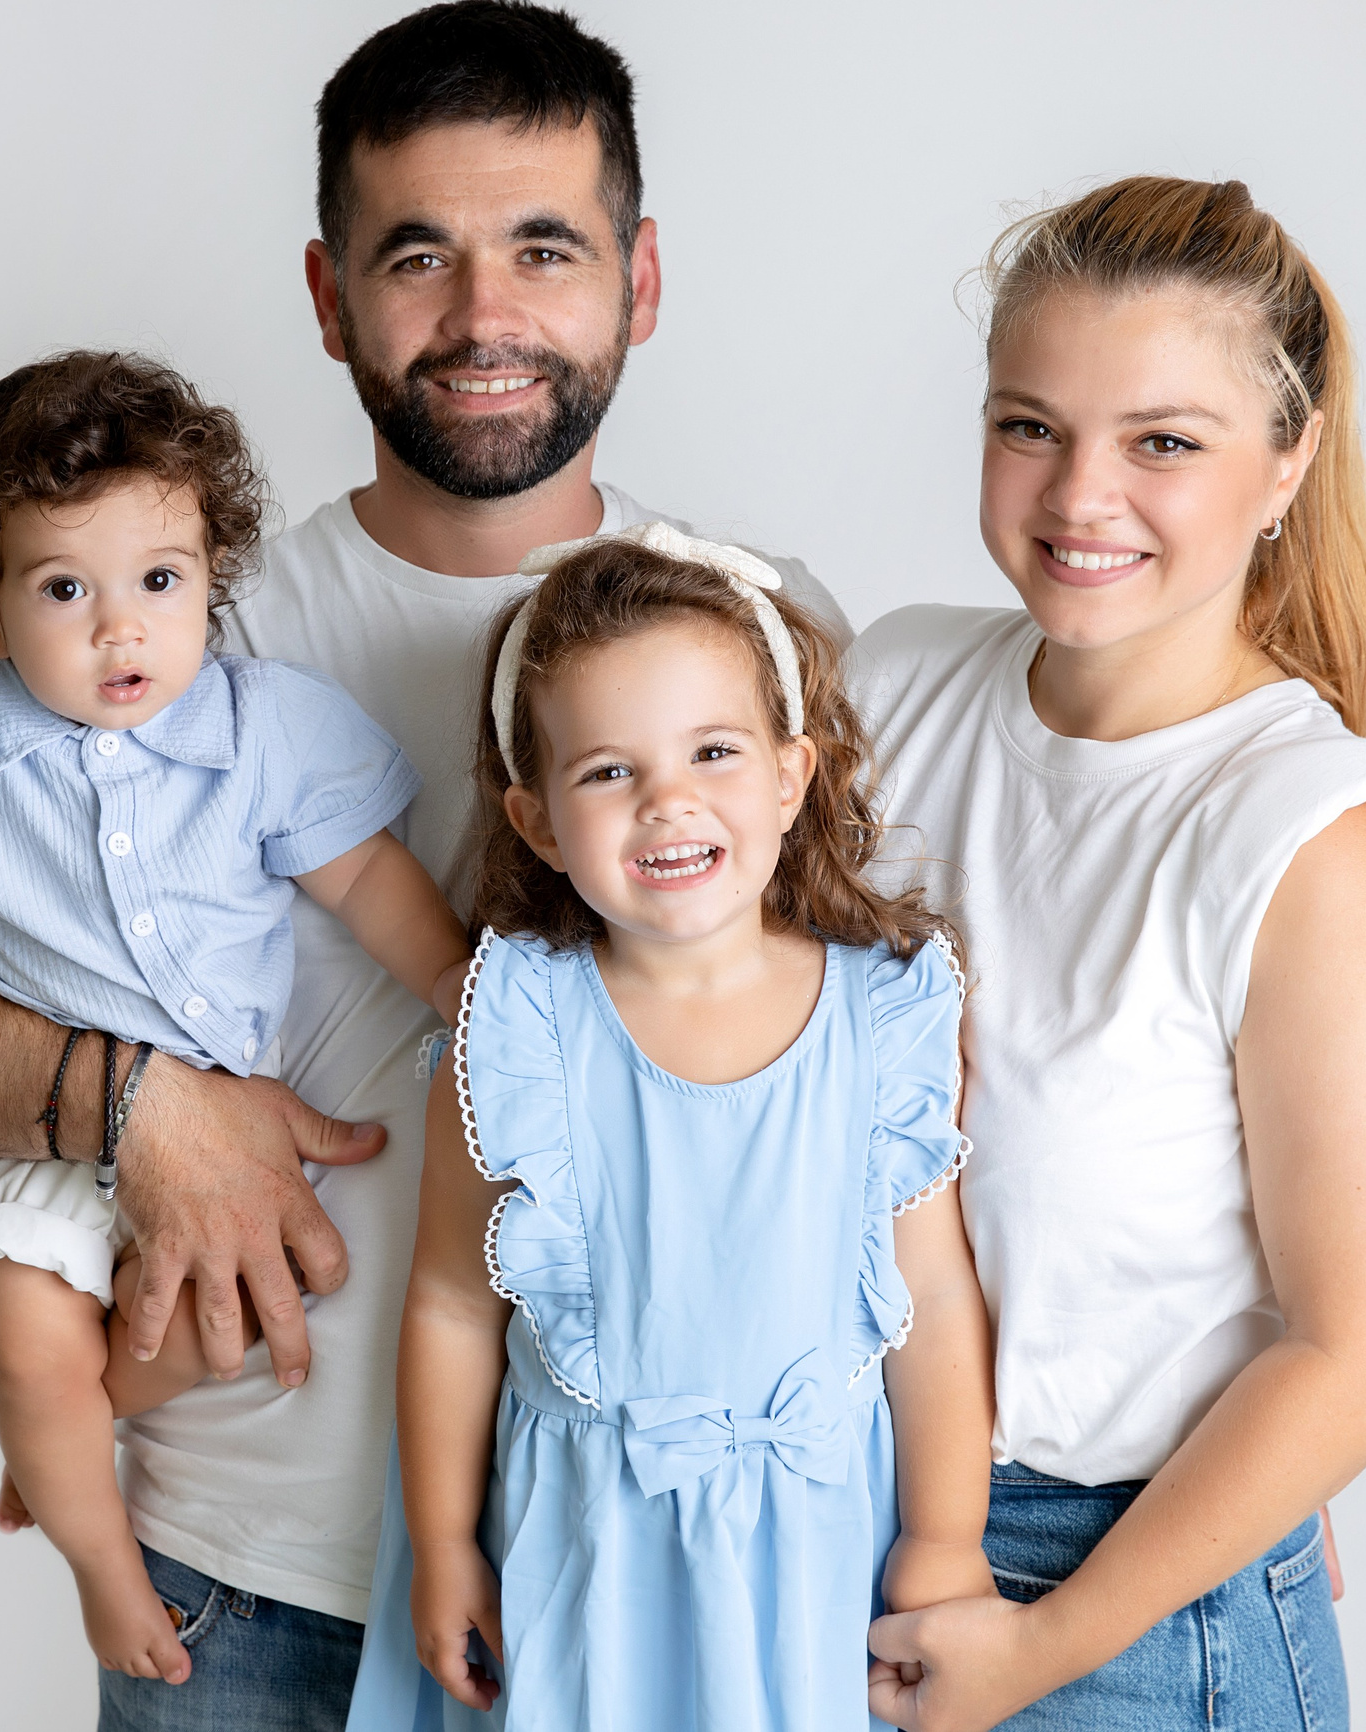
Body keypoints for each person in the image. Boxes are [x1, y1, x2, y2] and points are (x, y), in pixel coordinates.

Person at [0, 0, 842, 1728]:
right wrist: (140, 1105)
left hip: (660, 1567)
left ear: (639, 281)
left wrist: (1148, 1433)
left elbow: (886, 1075)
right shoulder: (165, 625)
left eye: (545, 248)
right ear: (328, 293)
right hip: (249, 1574)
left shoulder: (760, 637)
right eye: (417, 253)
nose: (484, 314)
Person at [0, 351, 473, 1684]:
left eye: (160, 585)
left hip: (242, 1129)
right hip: (52, 1143)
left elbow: (363, 877)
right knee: (26, 1330)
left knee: (237, 1304)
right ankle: (100, 1560)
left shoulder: (264, 727)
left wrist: (463, 988)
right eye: (69, 591)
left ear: (211, 576)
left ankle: (53, 1439)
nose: (122, 630)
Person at [854, 176, 1366, 1729]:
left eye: (1165, 443)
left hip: (1117, 1609)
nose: (1080, 496)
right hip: (839, 1519)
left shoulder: (1308, 838)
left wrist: (1045, 1643)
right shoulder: (896, 683)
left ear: (1289, 463)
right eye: (1030, 425)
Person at [346, 525, 994, 1732]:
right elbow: (446, 1298)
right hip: (585, 1555)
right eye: (607, 772)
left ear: (792, 775)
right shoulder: (519, 1024)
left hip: (814, 1562)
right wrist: (441, 1542)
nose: (667, 802)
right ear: (535, 821)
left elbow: (936, 1302)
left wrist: (945, 1540)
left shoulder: (884, 1014)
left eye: (712, 750)